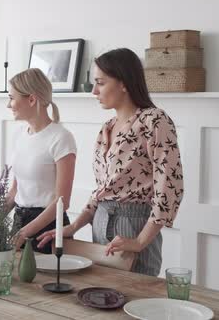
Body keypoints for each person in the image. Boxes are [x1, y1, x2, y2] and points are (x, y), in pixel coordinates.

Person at [37, 48, 184, 276]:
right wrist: (74, 226)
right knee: (102, 299)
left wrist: (140, 241)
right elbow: (103, 190)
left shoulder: (155, 121)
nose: (94, 91)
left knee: (136, 298)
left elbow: (170, 187)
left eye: (101, 83)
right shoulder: (107, 128)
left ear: (124, 83)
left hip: (134, 225)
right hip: (100, 219)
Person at [5, 68, 77, 254]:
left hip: (48, 231)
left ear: (31, 99)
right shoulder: (19, 135)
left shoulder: (61, 138)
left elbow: (62, 201)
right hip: (19, 224)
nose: (8, 104)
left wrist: (24, 233)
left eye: (12, 98)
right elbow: (15, 191)